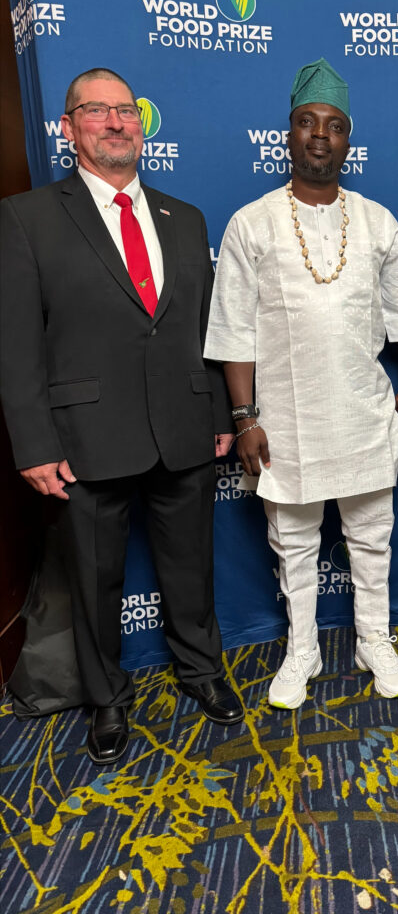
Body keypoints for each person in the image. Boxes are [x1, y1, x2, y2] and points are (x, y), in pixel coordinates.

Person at [0, 68, 243, 766]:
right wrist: (32, 444)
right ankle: (107, 699)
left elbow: (205, 330)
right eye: (96, 111)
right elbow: (15, 345)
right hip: (84, 438)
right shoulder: (28, 218)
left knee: (191, 569)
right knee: (95, 580)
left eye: (126, 111)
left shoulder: (184, 216)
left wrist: (223, 409)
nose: (115, 122)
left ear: (142, 125)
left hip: (185, 425)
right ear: (68, 128)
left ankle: (202, 671)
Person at [204, 58, 398, 709]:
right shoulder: (252, 222)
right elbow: (233, 330)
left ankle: (372, 640)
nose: (319, 135)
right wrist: (244, 418)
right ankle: (303, 648)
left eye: (332, 125)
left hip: (360, 414)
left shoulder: (378, 222)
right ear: (288, 135)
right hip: (287, 420)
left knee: (371, 540)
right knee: (292, 544)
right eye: (306, 123)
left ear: (347, 140)